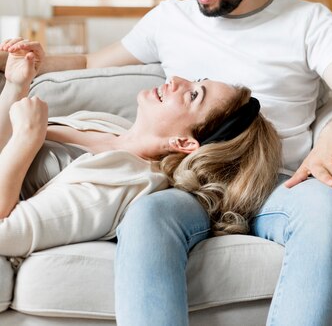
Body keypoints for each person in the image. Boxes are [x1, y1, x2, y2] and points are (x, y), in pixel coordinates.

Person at [0, 0, 332, 324]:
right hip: (187, 182)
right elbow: (92, 59)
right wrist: (32, 62)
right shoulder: (170, 18)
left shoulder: (306, 21)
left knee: (328, 206)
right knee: (148, 216)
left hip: (280, 182)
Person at [0, 39, 282, 257]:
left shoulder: (121, 183)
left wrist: (25, 141)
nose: (176, 81)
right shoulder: (110, 126)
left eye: (193, 95)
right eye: (196, 80)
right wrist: (15, 85)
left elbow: (6, 233)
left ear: (184, 143)